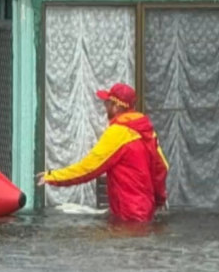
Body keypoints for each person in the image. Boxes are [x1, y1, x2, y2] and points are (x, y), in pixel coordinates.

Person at [36, 83, 169, 222]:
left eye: (107, 103)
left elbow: (88, 168)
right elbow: (162, 167)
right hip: (146, 213)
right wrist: (159, 200)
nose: (105, 107)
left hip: (127, 216)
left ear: (116, 106)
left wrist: (53, 177)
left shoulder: (118, 133)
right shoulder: (147, 131)